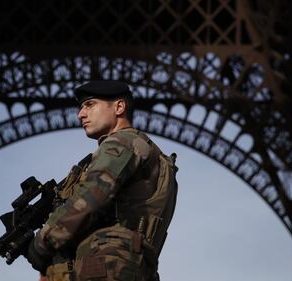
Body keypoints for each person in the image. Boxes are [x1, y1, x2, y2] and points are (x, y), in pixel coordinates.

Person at [26, 80, 178, 281]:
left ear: (119, 107)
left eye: (90, 104)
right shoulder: (151, 153)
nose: (81, 114)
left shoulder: (123, 142)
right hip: (132, 267)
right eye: (81, 107)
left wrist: (42, 242)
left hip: (105, 266)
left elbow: (91, 197)